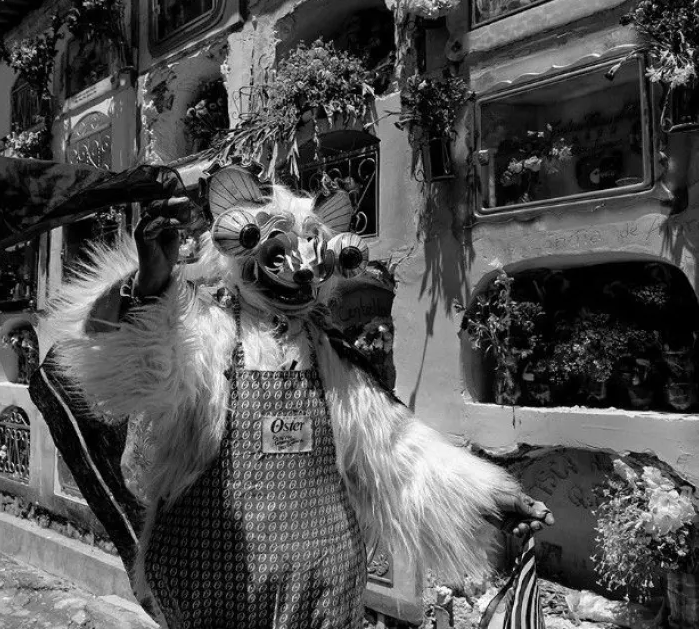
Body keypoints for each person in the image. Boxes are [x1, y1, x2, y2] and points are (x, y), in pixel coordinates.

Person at [46, 167, 553, 629]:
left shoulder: (333, 360)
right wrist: (148, 289)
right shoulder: (204, 334)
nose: (299, 273)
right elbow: (134, 371)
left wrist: (488, 498)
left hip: (324, 598)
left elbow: (399, 454)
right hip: (213, 590)